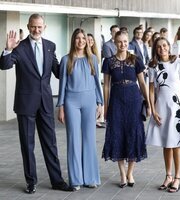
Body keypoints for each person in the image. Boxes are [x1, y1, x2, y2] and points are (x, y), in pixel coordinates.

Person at [0, 13, 72, 194]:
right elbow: (5, 65)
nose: (36, 30)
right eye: (33, 26)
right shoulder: (19, 47)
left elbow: (58, 71)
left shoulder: (50, 46)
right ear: (28, 26)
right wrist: (7, 49)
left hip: (46, 102)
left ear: (44, 27)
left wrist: (75, 63)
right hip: (25, 104)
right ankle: (31, 181)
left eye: (39, 27)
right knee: (28, 144)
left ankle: (57, 181)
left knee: (50, 143)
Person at [146, 37, 180, 193]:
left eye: (165, 45)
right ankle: (168, 176)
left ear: (169, 47)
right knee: (166, 143)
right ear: (156, 49)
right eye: (159, 47)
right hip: (162, 107)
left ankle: (177, 178)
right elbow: (151, 89)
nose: (162, 49)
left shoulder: (178, 62)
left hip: (177, 107)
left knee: (176, 143)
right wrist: (153, 110)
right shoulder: (154, 66)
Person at [102, 30, 150, 188]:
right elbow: (107, 85)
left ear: (128, 42)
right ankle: (122, 174)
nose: (122, 44)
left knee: (133, 134)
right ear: (114, 43)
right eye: (119, 41)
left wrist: (148, 103)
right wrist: (106, 106)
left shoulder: (135, 60)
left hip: (133, 101)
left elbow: (142, 83)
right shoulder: (108, 61)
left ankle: (130, 172)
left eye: (125, 41)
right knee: (118, 134)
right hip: (116, 101)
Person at [57, 28, 103, 191]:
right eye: (78, 38)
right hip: (71, 102)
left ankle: (90, 177)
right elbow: (61, 85)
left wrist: (100, 103)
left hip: (90, 101)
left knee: (89, 139)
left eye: (83, 38)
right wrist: (61, 106)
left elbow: (98, 83)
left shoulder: (93, 60)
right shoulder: (66, 60)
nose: (81, 41)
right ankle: (75, 179)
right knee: (73, 140)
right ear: (73, 40)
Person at [87, 33, 105, 128]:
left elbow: (96, 74)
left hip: (94, 82)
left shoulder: (94, 56)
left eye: (92, 40)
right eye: (88, 39)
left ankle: (96, 119)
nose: (90, 41)